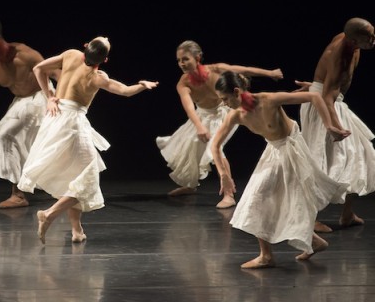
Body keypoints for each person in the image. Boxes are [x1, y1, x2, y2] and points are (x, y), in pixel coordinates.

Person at [17, 36, 158, 244]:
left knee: (75, 177)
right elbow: (125, 92)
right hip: (72, 124)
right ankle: (49, 214)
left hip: (54, 120)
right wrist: (142, 85)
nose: (108, 36)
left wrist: (50, 97)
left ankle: (77, 230)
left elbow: (39, 68)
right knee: (88, 179)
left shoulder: (70, 55)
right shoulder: (98, 77)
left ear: (85, 47)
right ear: (105, 60)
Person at [211, 71, 350, 269]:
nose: (223, 104)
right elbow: (215, 145)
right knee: (263, 199)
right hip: (274, 148)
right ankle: (311, 242)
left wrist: (329, 126)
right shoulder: (236, 115)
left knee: (264, 197)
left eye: (225, 99)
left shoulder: (268, 100)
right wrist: (224, 175)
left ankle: (270, 255)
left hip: (292, 146)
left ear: (236, 92)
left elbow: (313, 96)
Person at [156, 40, 283, 208]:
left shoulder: (216, 70)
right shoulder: (184, 83)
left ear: (198, 57)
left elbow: (244, 70)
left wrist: (270, 73)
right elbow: (189, 108)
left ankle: (229, 194)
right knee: (189, 149)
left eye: (185, 59)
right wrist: (199, 126)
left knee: (215, 147)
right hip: (202, 116)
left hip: (225, 112)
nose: (182, 63)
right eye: (179, 60)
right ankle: (191, 185)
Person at [0, 15, 58, 209]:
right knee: (9, 137)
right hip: (21, 102)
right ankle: (18, 193)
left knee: (27, 138)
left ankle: (51, 188)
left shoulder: (26, 55)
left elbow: (55, 73)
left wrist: (66, 98)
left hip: (43, 97)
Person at [298, 17, 375, 233]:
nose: (373, 40)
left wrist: (315, 85)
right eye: (367, 38)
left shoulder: (350, 43)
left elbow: (325, 82)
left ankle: (347, 214)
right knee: (321, 161)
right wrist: (332, 127)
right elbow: (328, 96)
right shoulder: (340, 54)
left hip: (328, 98)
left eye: (373, 35)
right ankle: (309, 219)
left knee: (359, 154)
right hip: (324, 106)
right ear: (352, 40)